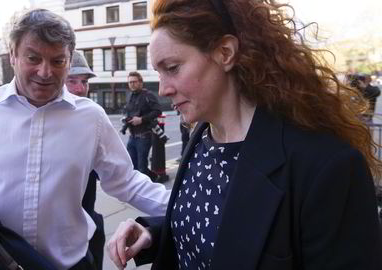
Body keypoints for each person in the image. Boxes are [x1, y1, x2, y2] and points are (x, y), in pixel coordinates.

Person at [107, 1, 382, 270]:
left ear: (225, 53)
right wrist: (153, 232)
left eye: (173, 68)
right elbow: (211, 221)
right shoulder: (201, 137)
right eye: (158, 72)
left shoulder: (327, 166)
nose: (163, 89)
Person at [0, 9, 171, 270]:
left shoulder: (91, 118)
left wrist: (188, 203)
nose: (45, 72)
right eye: (33, 58)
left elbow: (126, 182)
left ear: (69, 61)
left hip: (70, 264)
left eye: (57, 61)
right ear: (12, 54)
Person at [66, 50, 104, 270]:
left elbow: (122, 177)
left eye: (84, 81)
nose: (80, 88)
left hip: (88, 226)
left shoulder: (93, 118)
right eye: (72, 81)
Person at [122, 71, 162, 181]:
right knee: (132, 166)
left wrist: (141, 119)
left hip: (144, 136)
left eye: (134, 82)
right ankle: (154, 177)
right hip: (132, 136)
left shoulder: (148, 95)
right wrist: (126, 118)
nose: (132, 84)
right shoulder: (131, 96)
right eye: (130, 82)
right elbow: (129, 112)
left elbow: (158, 111)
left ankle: (149, 187)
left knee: (141, 167)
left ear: (141, 82)